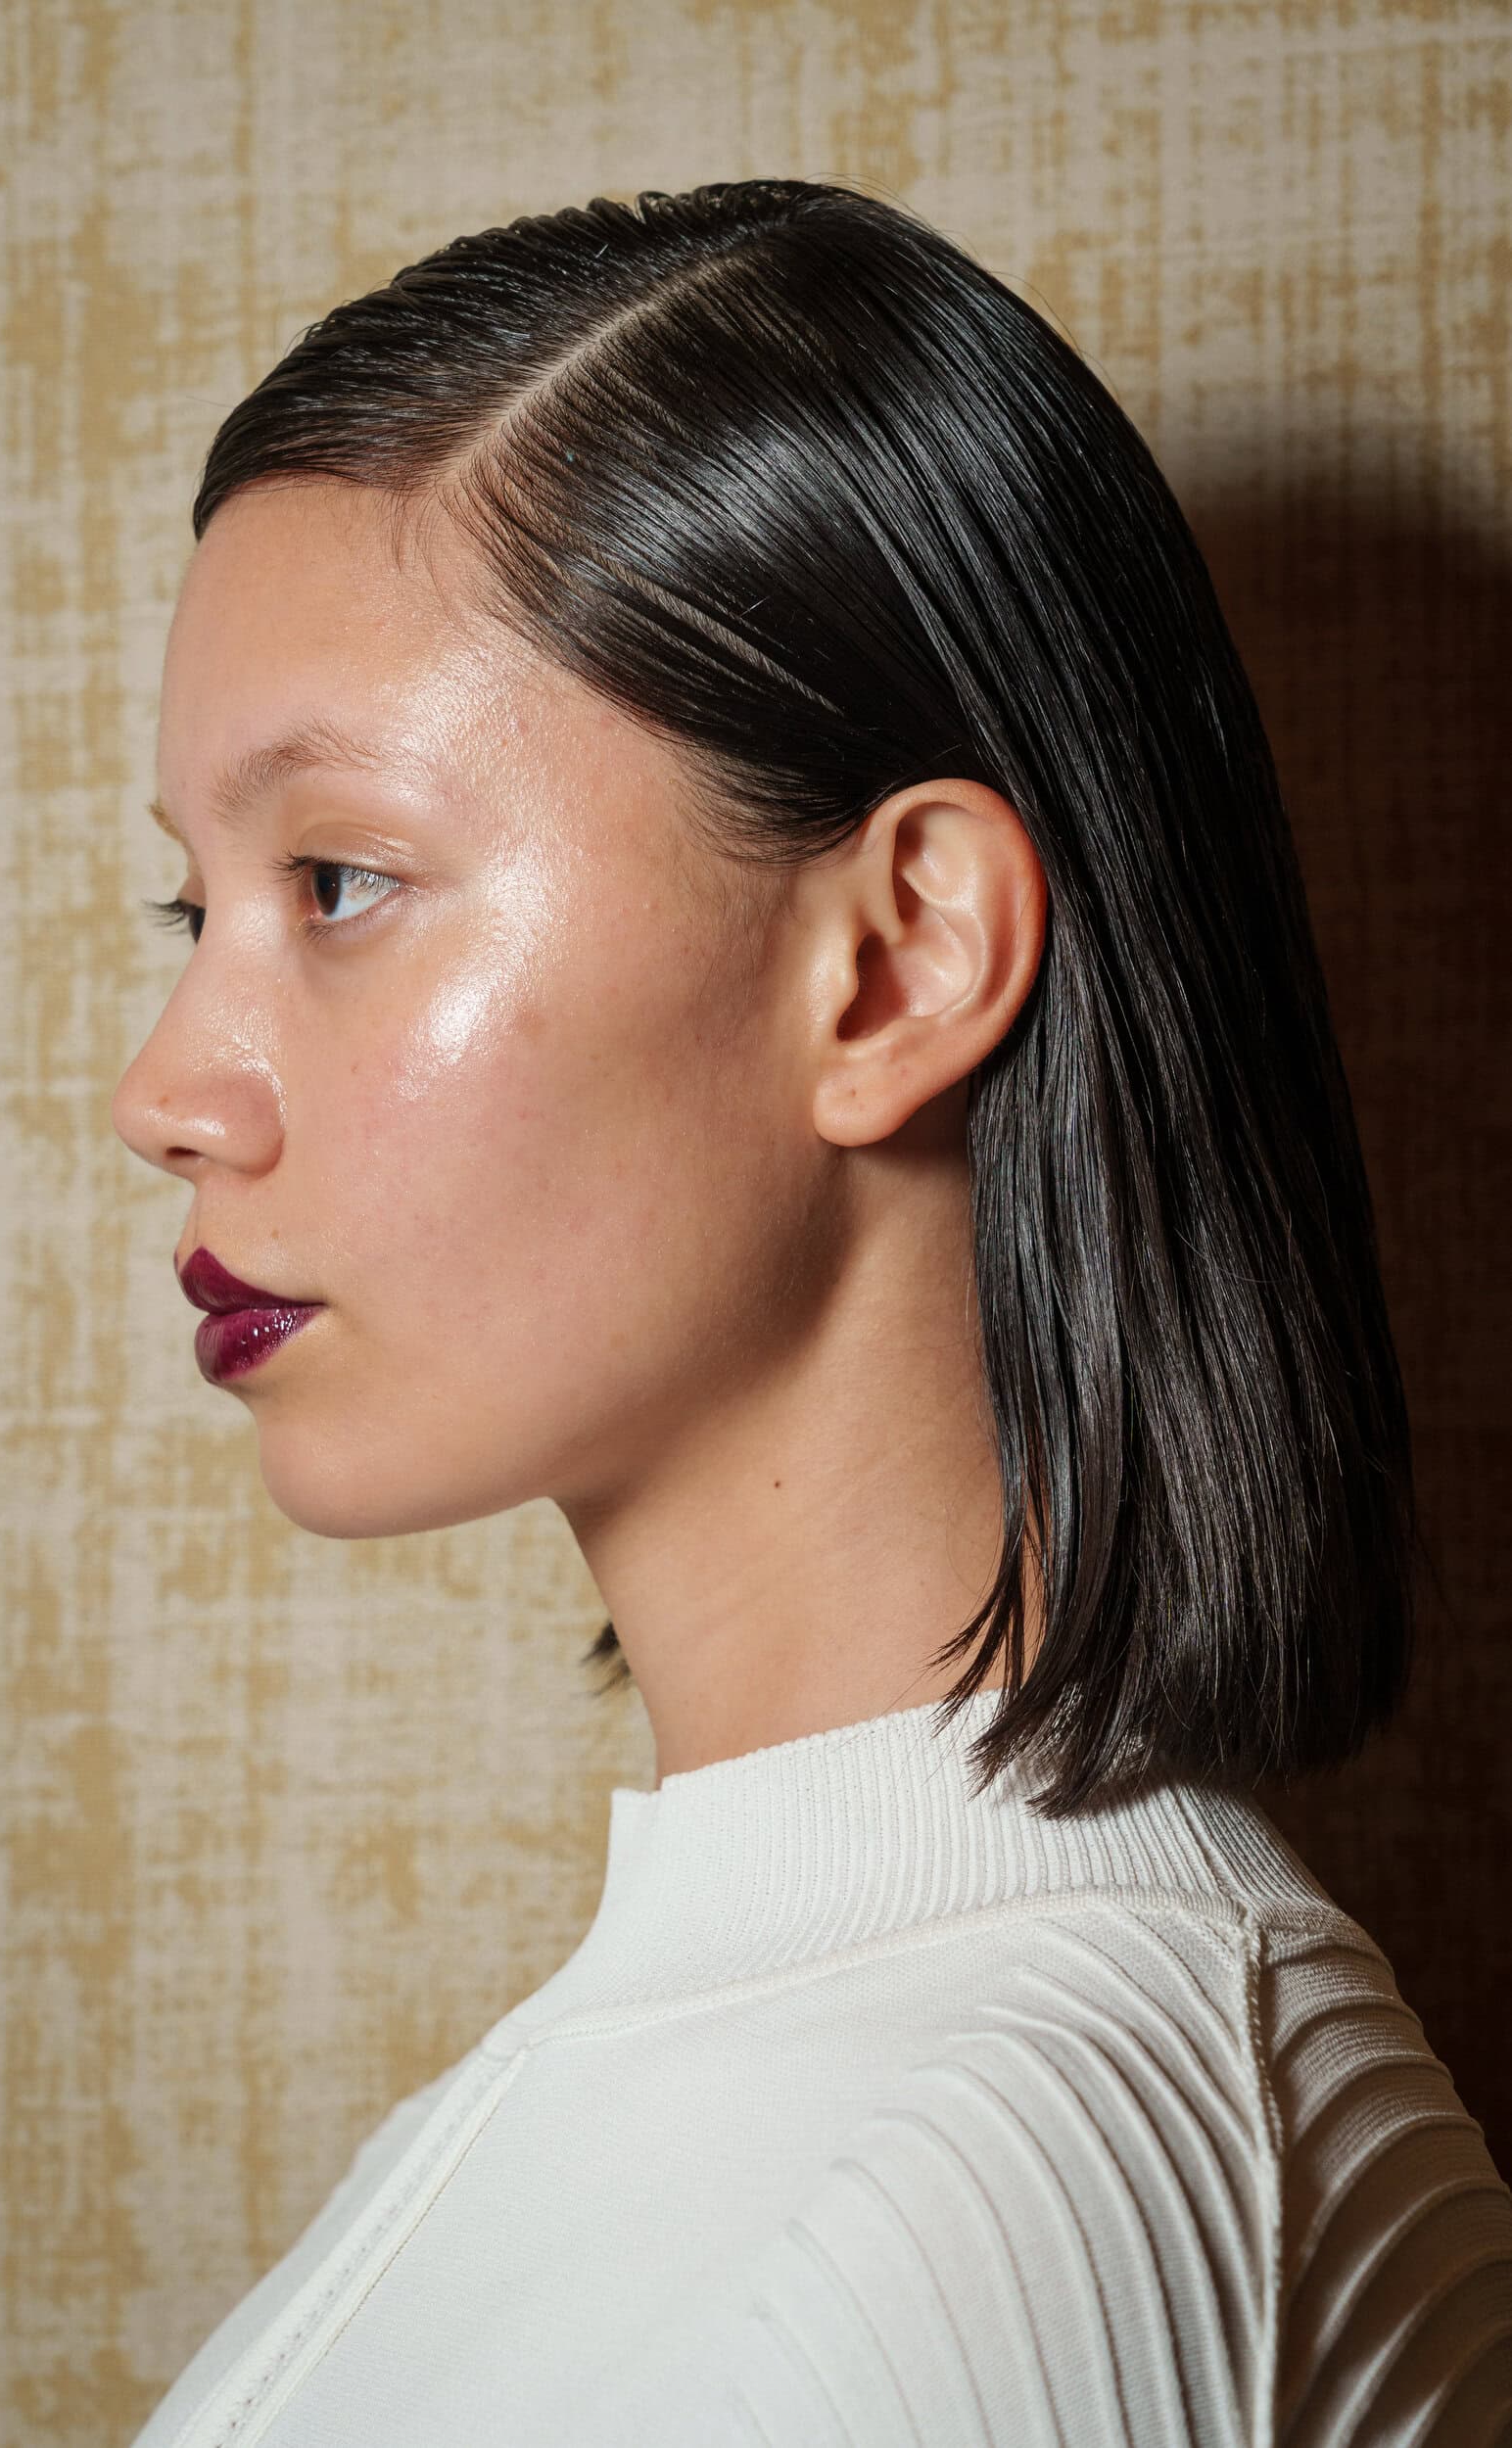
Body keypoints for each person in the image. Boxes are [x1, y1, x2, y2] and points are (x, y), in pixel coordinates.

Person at [111, 178, 1512, 2446]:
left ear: (896, 956)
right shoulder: (754, 2071)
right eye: (197, 908)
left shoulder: (1024, 2188)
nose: (165, 1090)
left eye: (339, 880)